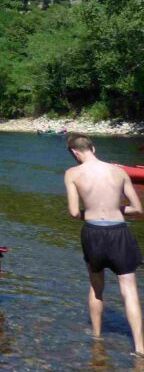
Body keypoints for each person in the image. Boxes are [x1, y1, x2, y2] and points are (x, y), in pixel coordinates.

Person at [65, 133, 144, 356]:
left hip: (93, 234)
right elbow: (137, 209)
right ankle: (140, 348)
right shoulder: (119, 172)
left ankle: (97, 339)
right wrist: (115, 210)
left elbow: (73, 212)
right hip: (119, 233)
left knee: (96, 288)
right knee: (129, 291)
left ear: (74, 152)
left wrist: (90, 213)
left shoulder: (72, 173)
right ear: (94, 148)